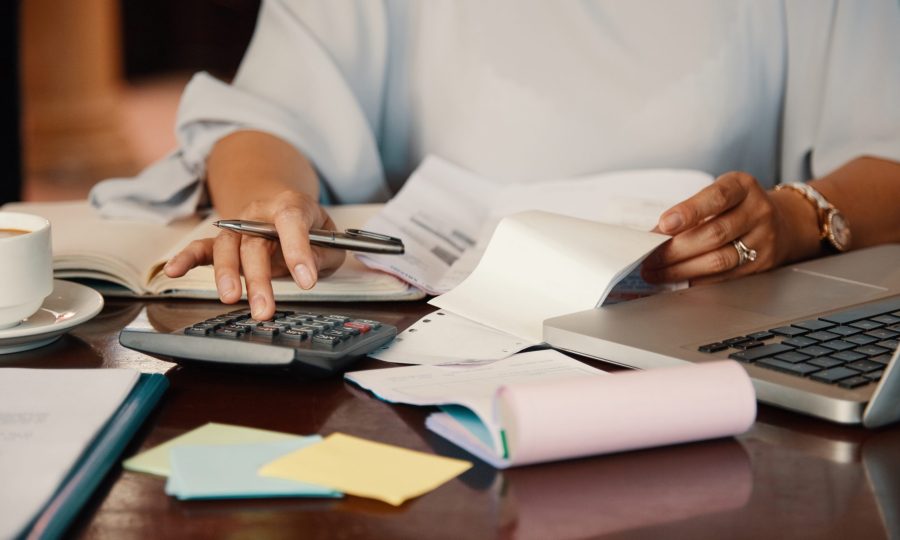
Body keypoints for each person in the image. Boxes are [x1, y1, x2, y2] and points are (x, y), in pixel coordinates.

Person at [91, 1, 900, 321]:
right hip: (440, 337)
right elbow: (265, 117)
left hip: (714, 334)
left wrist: (795, 218)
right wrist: (272, 199)